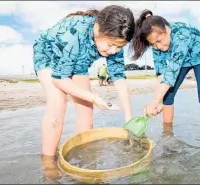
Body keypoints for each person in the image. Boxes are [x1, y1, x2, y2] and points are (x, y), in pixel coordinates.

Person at [33, 5, 135, 156]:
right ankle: (49, 164)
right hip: (48, 54)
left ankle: (85, 156)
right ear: (97, 28)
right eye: (111, 45)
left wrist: (128, 119)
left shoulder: (116, 39)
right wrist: (94, 97)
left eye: (120, 47)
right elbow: (59, 80)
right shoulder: (72, 32)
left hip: (79, 59)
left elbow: (119, 78)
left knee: (86, 109)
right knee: (58, 99)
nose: (114, 51)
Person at [131, 10, 200, 131]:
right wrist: (156, 101)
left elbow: (171, 74)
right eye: (153, 44)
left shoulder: (181, 35)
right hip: (181, 61)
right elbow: (162, 75)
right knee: (167, 95)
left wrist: (155, 101)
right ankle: (167, 133)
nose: (158, 47)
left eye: (159, 41)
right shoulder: (156, 45)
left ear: (166, 29)